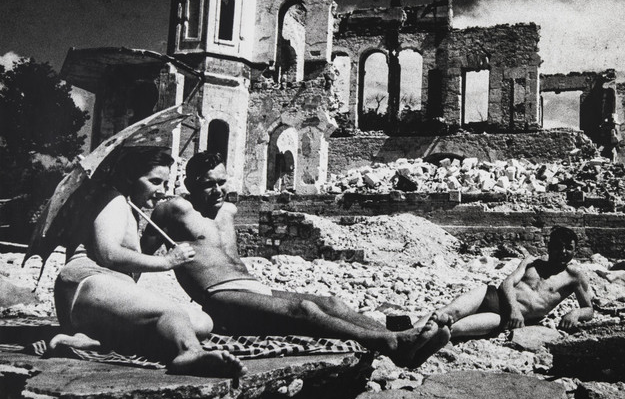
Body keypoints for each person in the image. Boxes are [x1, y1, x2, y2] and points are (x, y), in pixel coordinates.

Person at [141, 151, 451, 369]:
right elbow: (140, 252)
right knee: (304, 309)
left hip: (252, 287)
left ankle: (398, 341)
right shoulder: (174, 210)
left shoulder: (228, 212)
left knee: (331, 303)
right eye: (209, 184)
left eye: (222, 181)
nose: (219, 190)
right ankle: (390, 344)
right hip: (220, 297)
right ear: (191, 184)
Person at [51, 147, 246, 377]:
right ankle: (189, 352)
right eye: (154, 181)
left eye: (165, 183)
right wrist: (167, 261)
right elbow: (108, 254)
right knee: (170, 312)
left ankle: (95, 338)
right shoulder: (112, 199)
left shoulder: (129, 206)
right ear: (130, 178)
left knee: (201, 322)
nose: (162, 191)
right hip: (86, 284)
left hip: (100, 296)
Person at [416, 226, 594, 340]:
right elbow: (507, 282)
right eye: (558, 247)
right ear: (549, 247)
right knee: (449, 311)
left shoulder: (574, 276)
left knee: (454, 329)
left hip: (503, 318)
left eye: (569, 248)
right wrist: (515, 309)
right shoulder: (531, 262)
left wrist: (575, 313)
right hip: (491, 296)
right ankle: (408, 332)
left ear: (575, 250)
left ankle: (415, 340)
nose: (563, 252)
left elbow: (589, 309)